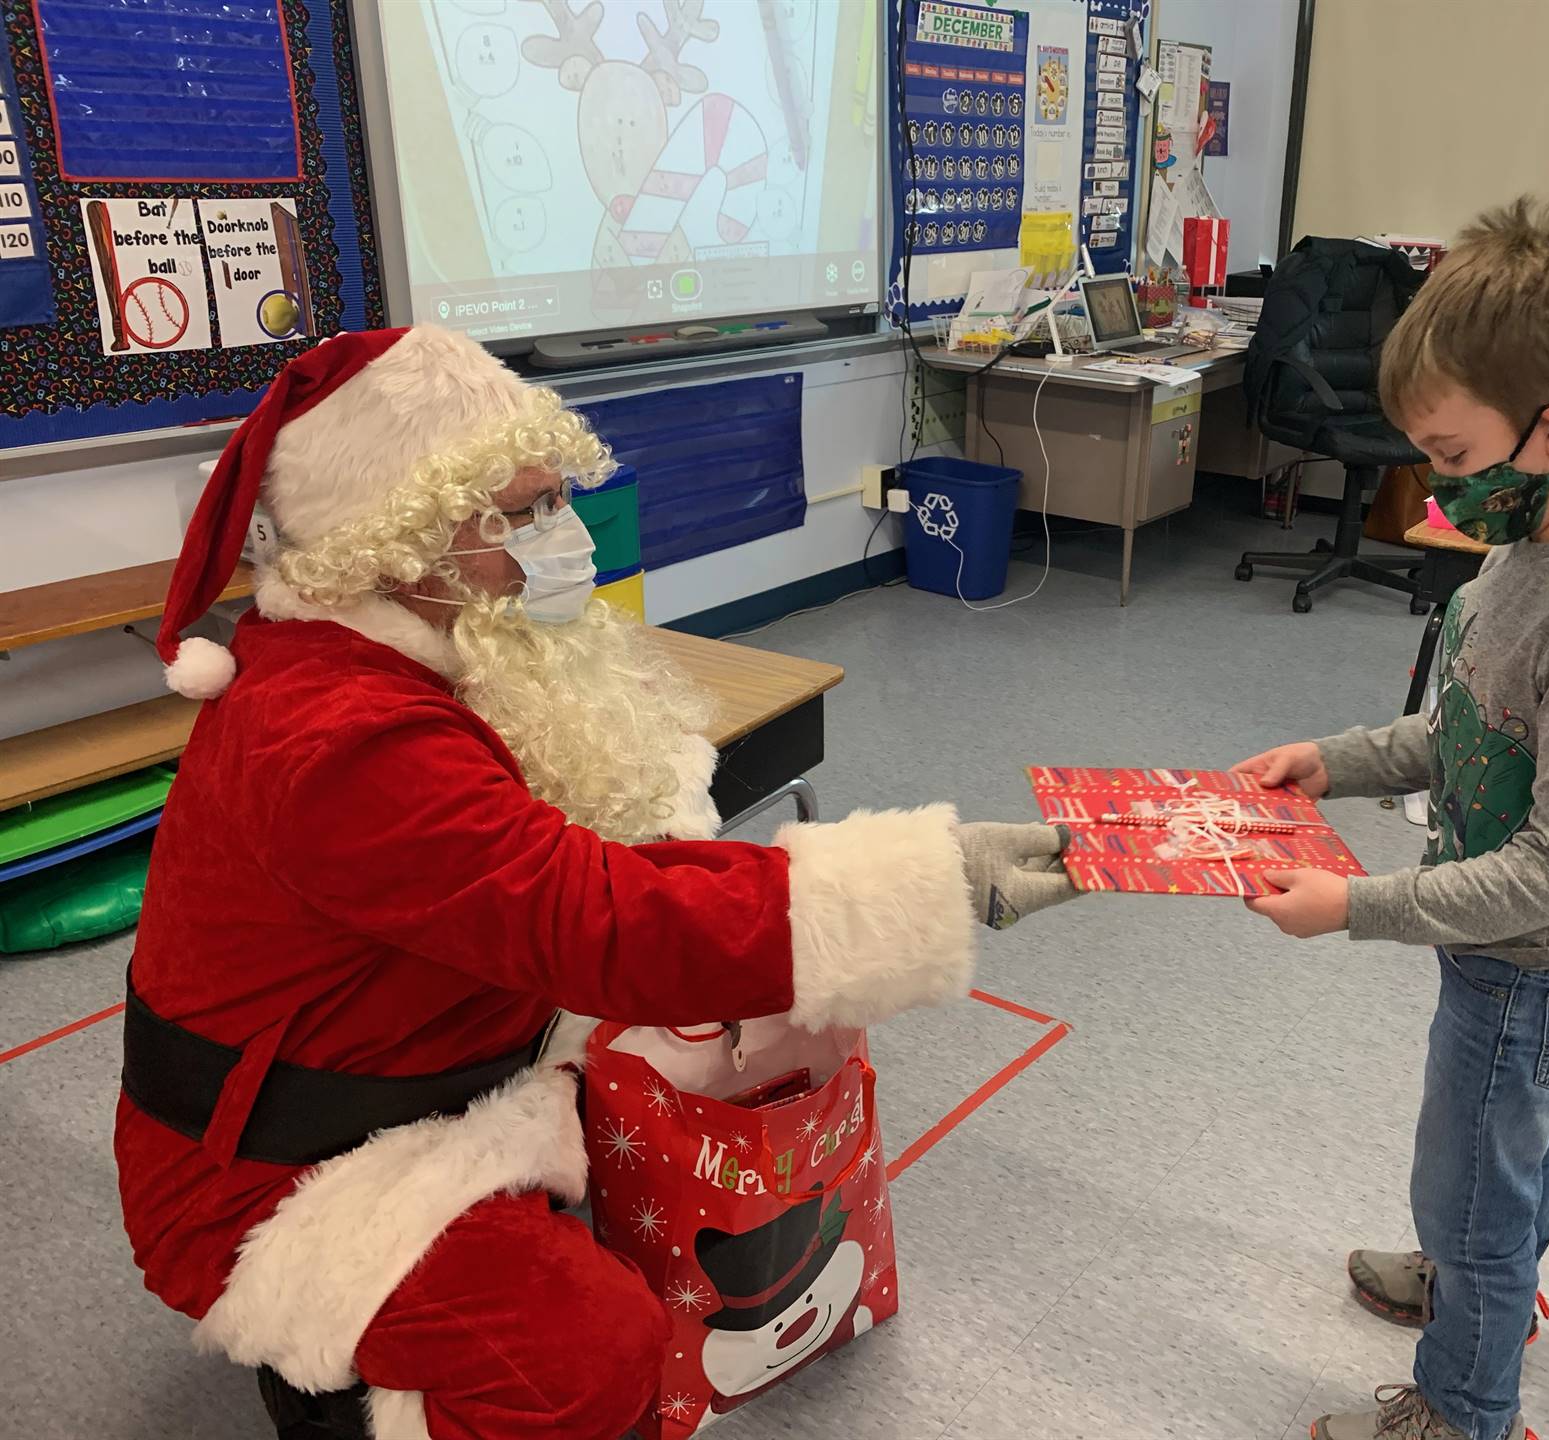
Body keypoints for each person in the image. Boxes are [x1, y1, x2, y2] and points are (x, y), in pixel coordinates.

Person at [116, 326, 1080, 1440]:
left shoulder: (434, 660)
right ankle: (345, 1392)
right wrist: (920, 885)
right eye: (521, 513)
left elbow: (599, 876)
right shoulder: (340, 737)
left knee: (712, 1059)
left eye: (551, 500)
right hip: (276, 1172)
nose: (563, 535)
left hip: (436, 1061)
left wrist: (899, 879)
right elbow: (591, 912)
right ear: (401, 542)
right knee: (592, 1351)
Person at [1234, 198, 1549, 1440]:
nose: (1430, 480)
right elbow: (1459, 731)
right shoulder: (1521, 556)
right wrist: (1330, 761)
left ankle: (1463, 1403)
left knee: (1472, 1179)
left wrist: (1355, 909)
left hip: (1540, 964)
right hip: (1511, 954)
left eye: (1445, 449)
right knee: (1500, 1161)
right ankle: (1484, 1274)